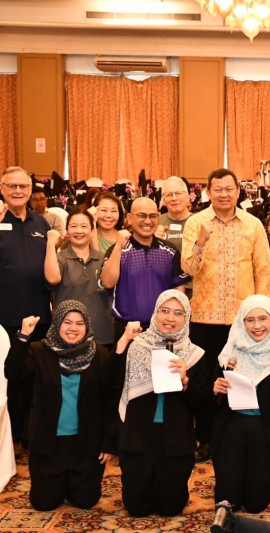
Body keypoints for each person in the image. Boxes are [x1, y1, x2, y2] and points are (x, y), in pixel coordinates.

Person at [182, 168, 270, 463]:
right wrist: (201, 242)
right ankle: (206, 438)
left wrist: (262, 315)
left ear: (238, 191)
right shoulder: (195, 223)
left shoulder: (253, 225)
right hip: (204, 319)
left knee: (240, 377)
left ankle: (235, 436)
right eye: (217, 189)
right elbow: (188, 269)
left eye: (229, 189)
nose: (223, 194)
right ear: (208, 192)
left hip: (242, 321)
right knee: (206, 382)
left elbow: (264, 270)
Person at [5, 301, 115, 511]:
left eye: (79, 323)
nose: (73, 328)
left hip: (86, 444)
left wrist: (109, 441)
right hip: (48, 443)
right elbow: (12, 372)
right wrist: (23, 336)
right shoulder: (39, 351)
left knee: (86, 502)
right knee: (43, 503)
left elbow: (110, 399)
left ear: (87, 326)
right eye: (67, 322)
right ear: (57, 324)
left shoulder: (99, 354)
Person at [114, 290, 208, 517]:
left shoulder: (195, 355)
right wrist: (122, 343)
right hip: (138, 438)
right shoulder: (136, 347)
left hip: (175, 441)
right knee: (137, 508)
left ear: (186, 318)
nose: (170, 318)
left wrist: (185, 381)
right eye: (165, 311)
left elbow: (203, 403)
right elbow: (110, 382)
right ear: (155, 313)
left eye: (178, 313)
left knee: (171, 508)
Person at [211, 295, 270, 513]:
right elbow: (211, 397)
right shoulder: (230, 351)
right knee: (228, 502)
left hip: (265, 430)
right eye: (250, 320)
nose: (257, 326)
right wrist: (216, 389)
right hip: (232, 426)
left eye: (263, 319)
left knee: (255, 505)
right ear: (242, 321)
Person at [1, 166, 51, 444]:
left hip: (39, 316)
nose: (18, 191)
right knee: (8, 380)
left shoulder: (41, 224)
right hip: (4, 318)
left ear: (31, 190)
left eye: (23, 186)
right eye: (12, 186)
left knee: (35, 380)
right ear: (2, 189)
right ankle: (10, 439)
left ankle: (31, 438)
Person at [101, 198, 190, 341]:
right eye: (142, 215)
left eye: (153, 216)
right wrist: (118, 246)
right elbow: (108, 283)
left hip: (163, 330)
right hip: (126, 329)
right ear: (130, 218)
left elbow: (178, 290)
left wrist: (177, 320)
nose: (148, 221)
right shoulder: (118, 250)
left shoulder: (170, 250)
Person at [44, 211, 114, 346]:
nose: (79, 231)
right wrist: (51, 244)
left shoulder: (103, 259)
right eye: (73, 226)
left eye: (84, 226)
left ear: (92, 230)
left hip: (101, 334)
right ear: (67, 230)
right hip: (68, 335)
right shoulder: (60, 258)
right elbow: (52, 279)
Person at [157, 176, 193, 254]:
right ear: (164, 200)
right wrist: (153, 241)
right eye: (169, 195)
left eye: (178, 193)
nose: (174, 198)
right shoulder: (156, 222)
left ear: (187, 197)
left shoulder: (199, 221)